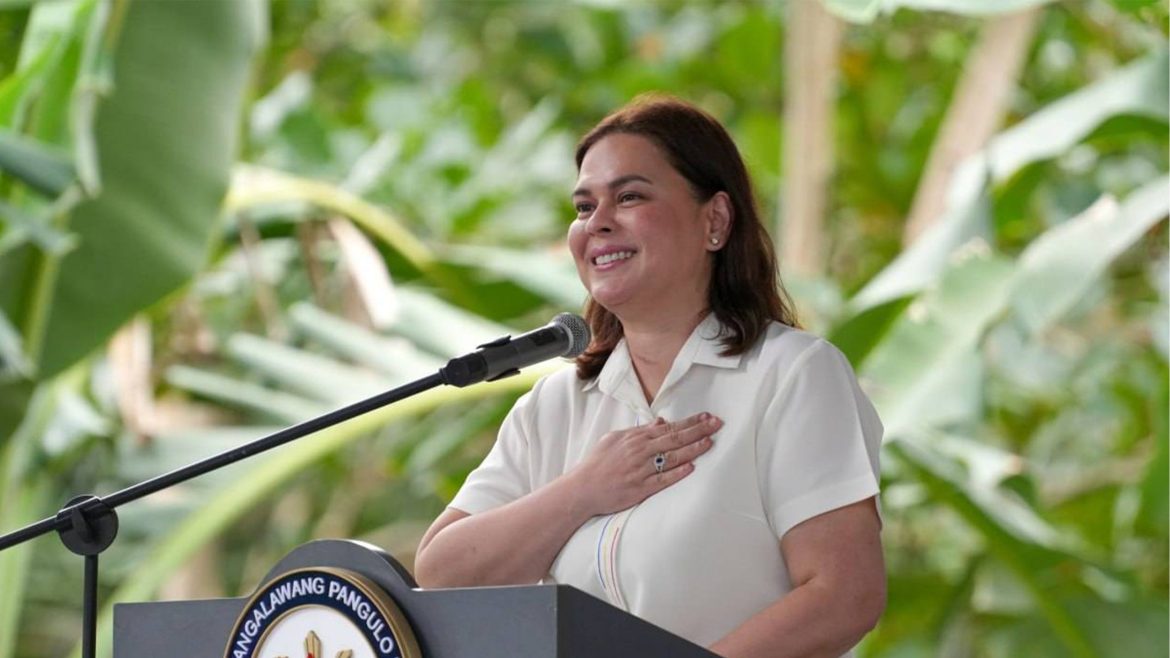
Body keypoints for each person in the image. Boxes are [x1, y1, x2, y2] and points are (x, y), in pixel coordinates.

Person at [414, 95, 885, 658]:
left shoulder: (791, 374)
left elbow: (843, 594)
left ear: (714, 220)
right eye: (585, 207)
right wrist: (584, 490)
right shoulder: (558, 406)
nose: (599, 223)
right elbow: (442, 574)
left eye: (630, 196)